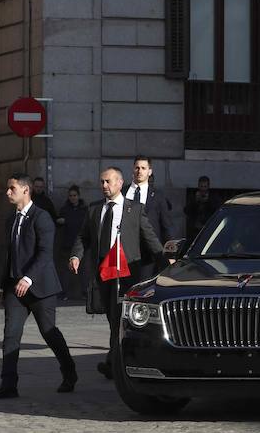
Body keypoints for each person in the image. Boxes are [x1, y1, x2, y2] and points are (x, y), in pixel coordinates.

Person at [0, 174, 77, 399]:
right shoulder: (11, 219)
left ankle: (69, 372)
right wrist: (2, 286)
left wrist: (28, 279)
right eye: (8, 188)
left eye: (12, 188)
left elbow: (45, 253)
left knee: (49, 332)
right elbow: (10, 255)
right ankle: (8, 385)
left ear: (26, 190)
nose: (8, 192)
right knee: (11, 334)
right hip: (14, 288)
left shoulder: (42, 217)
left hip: (40, 287)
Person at [69, 167, 164, 380]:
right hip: (103, 272)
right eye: (102, 182)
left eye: (108, 182)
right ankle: (115, 360)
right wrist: (76, 256)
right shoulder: (94, 210)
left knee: (121, 315)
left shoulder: (135, 209)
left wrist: (165, 261)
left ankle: (115, 363)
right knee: (113, 318)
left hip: (126, 272)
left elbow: (150, 238)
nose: (104, 186)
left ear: (120, 183)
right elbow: (83, 237)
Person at [123, 155, 174, 280]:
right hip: (124, 254)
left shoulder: (158, 196)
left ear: (149, 171)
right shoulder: (122, 193)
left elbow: (166, 226)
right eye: (137, 168)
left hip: (148, 255)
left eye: (143, 168)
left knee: (143, 288)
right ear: (133, 169)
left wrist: (171, 253)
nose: (139, 171)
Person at [57, 185, 88, 299]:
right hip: (67, 243)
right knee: (65, 271)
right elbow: (59, 222)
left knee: (83, 270)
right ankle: (63, 293)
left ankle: (85, 292)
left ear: (78, 196)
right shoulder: (65, 209)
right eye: (70, 196)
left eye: (74, 195)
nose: (72, 198)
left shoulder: (84, 209)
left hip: (81, 244)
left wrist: (67, 221)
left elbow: (83, 223)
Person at [184, 175, 221, 240]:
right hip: (195, 229)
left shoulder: (213, 197)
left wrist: (208, 201)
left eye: (205, 186)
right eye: (201, 186)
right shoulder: (193, 196)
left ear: (208, 187)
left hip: (207, 228)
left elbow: (216, 210)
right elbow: (186, 210)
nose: (203, 189)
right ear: (198, 186)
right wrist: (195, 201)